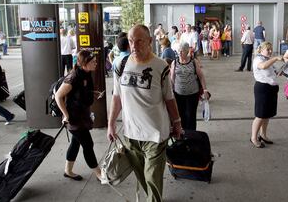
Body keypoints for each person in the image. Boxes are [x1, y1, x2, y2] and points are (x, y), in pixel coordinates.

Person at [107, 24, 182, 202]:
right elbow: (117, 97)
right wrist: (111, 124)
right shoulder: (120, 64)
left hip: (155, 134)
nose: (134, 45)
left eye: (139, 41)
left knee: (152, 179)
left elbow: (169, 99)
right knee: (142, 176)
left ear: (149, 41)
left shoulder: (161, 66)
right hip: (131, 134)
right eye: (131, 41)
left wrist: (177, 123)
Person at [55, 50, 102, 181]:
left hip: (82, 116)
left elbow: (80, 92)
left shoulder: (86, 74)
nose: (96, 63)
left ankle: (68, 171)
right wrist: (65, 115)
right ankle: (99, 173)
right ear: (84, 64)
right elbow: (58, 96)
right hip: (73, 118)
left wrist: (92, 94)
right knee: (88, 144)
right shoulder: (73, 77)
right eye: (93, 62)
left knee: (76, 143)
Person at [250, 42, 283, 148]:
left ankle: (263, 135)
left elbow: (273, 72)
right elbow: (263, 67)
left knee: (267, 115)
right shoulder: (258, 59)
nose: (270, 51)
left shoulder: (267, 59)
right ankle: (253, 138)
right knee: (260, 115)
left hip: (271, 88)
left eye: (270, 49)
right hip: (262, 88)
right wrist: (276, 58)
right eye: (267, 49)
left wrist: (281, 70)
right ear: (261, 50)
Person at [170, 42, 209, 130]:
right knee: (180, 115)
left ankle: (191, 135)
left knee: (190, 115)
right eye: (179, 51)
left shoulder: (193, 62)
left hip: (192, 94)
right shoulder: (175, 62)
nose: (180, 53)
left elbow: (201, 76)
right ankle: (183, 134)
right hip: (178, 94)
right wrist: (170, 92)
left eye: (182, 51)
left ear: (187, 51)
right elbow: (172, 79)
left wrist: (205, 90)